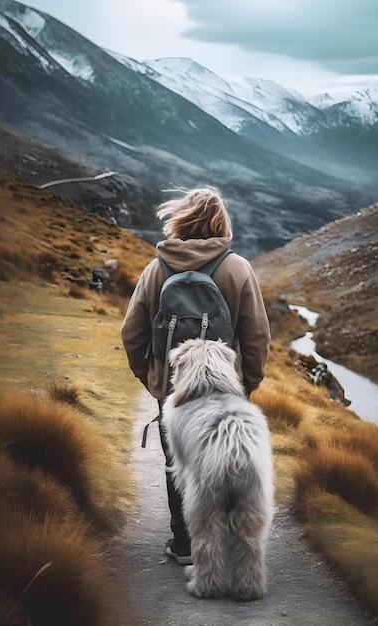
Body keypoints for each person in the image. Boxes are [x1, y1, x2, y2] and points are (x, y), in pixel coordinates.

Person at [121, 187, 271, 565]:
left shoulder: (157, 267)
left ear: (181, 220)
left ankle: (186, 544)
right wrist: (246, 383)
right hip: (224, 385)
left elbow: (131, 332)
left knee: (179, 461)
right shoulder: (238, 268)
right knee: (228, 462)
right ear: (222, 224)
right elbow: (256, 335)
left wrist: (151, 377)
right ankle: (229, 541)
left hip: (173, 385)